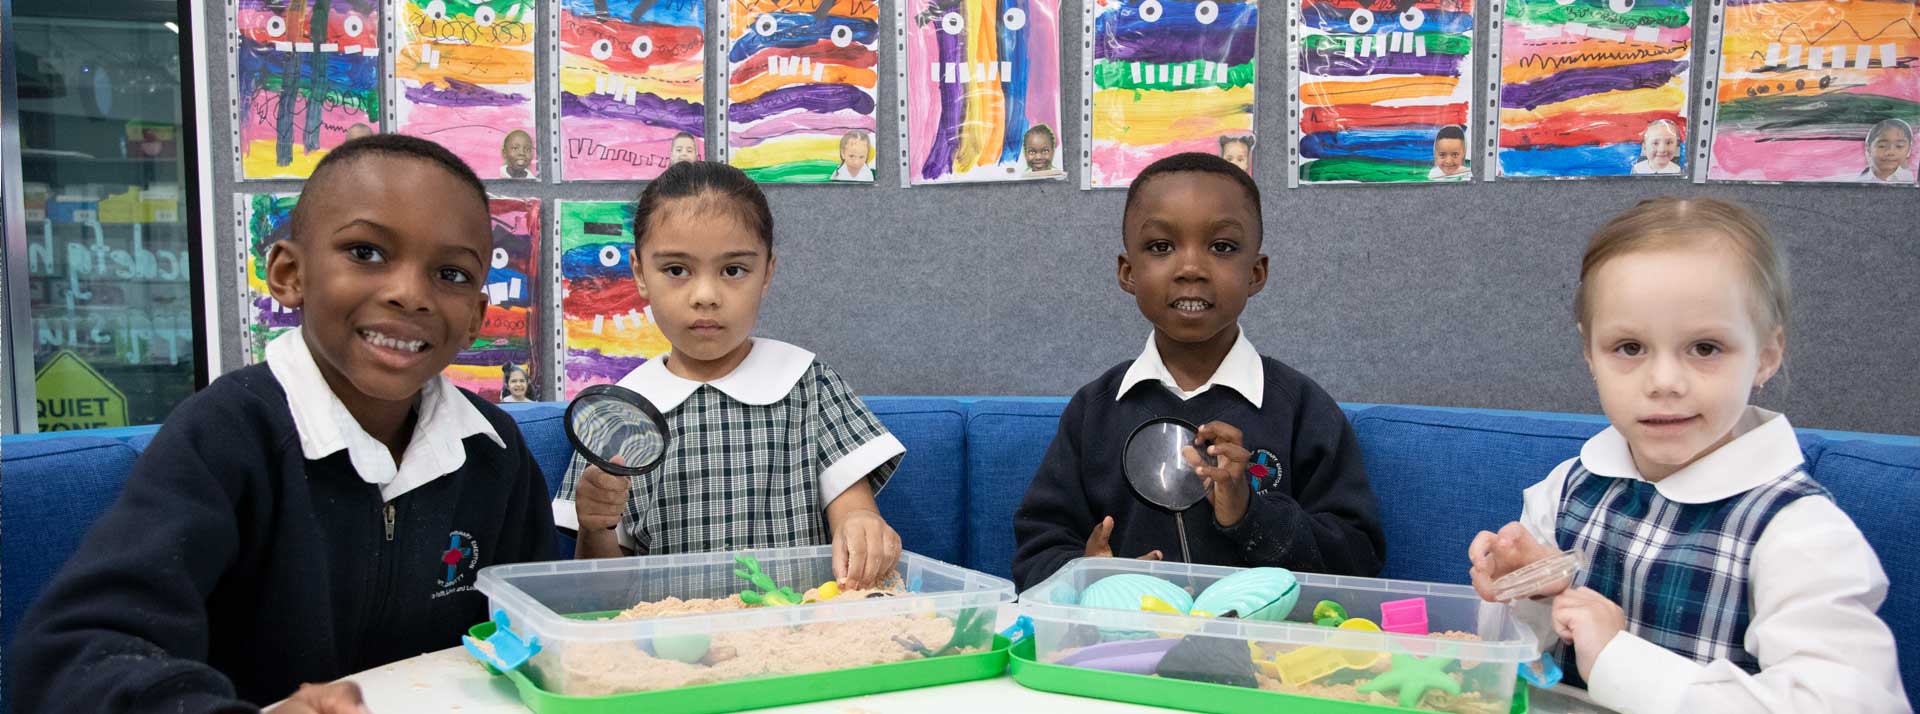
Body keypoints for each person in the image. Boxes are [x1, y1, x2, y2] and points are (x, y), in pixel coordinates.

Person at [9, 135, 557, 713]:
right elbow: (74, 657)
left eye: (450, 273)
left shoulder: (495, 452)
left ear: (475, 316)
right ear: (289, 274)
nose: (409, 295)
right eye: (367, 253)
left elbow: (536, 629)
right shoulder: (226, 434)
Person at [1468, 197, 1909, 713]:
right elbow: (1510, 665)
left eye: (1705, 348)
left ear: (1766, 355)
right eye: (1629, 348)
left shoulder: (1799, 534)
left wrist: (1618, 659)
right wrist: (1529, 596)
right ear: (1590, 354)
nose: (1664, 383)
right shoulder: (1565, 488)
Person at [1011, 152, 1386, 590]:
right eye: (1161, 247)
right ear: (1128, 272)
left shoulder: (1302, 410)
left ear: (1256, 273)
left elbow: (1358, 560)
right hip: (1121, 652)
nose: (1191, 269)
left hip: (1263, 652)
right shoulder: (1094, 412)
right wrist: (1090, 577)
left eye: (1222, 247)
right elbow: (1036, 552)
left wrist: (1250, 513)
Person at [554, 161, 907, 588]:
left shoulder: (807, 382)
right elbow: (600, 592)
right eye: (676, 270)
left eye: (733, 270)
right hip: (667, 645)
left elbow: (854, 512)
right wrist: (596, 526)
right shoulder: (618, 412)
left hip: (796, 635)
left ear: (767, 273)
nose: (705, 296)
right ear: (639, 273)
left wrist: (863, 526)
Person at [1859, 118, 1915, 183]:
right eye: (1882, 146)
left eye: (1899, 146)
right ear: (1868, 148)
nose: (1890, 152)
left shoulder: (1912, 180)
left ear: (1909, 150)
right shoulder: (1858, 180)